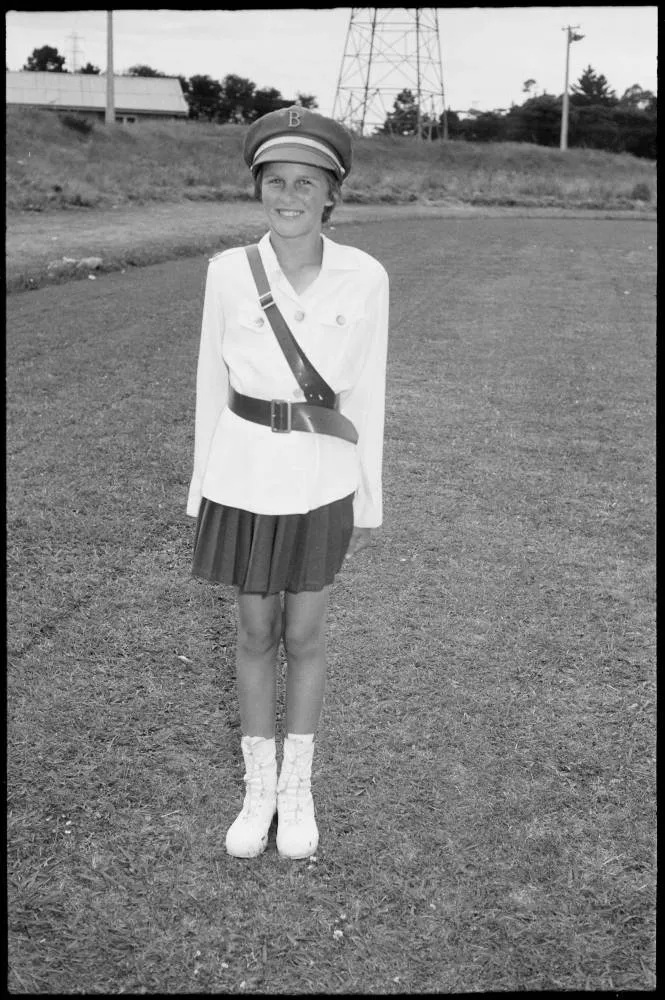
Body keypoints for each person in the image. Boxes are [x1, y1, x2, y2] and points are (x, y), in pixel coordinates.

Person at [187, 105, 389, 860]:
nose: (288, 195)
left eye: (306, 182)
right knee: (253, 631)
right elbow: (211, 381)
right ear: (258, 187)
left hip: (319, 479)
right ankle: (258, 789)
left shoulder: (365, 277)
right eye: (274, 180)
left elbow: (367, 391)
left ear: (332, 193)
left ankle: (297, 790)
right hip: (242, 475)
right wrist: (201, 481)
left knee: (304, 636)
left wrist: (365, 490)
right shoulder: (226, 274)